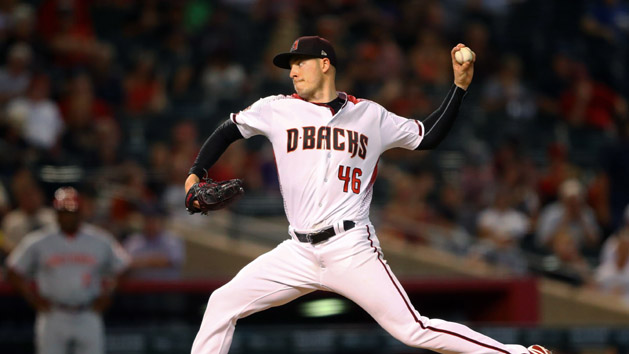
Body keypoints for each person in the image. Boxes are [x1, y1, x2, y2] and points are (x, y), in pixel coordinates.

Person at [185, 36, 550, 354]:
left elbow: (428, 135)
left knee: (413, 329)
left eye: (300, 63)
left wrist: (459, 88)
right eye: (290, 65)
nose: (292, 71)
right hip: (296, 251)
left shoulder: (370, 116)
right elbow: (228, 130)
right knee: (221, 303)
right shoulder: (276, 108)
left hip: (350, 248)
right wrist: (194, 176)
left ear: (325, 65)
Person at [5, 186, 129, 354]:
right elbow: (13, 269)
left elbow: (123, 266)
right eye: (63, 211)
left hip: (88, 311)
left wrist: (109, 294)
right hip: (54, 313)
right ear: (56, 212)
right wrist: (32, 297)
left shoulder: (99, 239)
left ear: (80, 212)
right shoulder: (40, 240)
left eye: (72, 211)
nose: (67, 216)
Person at [123, 204, 185, 280]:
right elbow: (125, 263)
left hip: (166, 288)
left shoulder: (172, 240)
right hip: (138, 288)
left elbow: (171, 261)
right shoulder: (133, 241)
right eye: (148, 220)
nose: (151, 224)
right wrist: (153, 260)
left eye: (154, 220)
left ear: (162, 221)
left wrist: (141, 262)